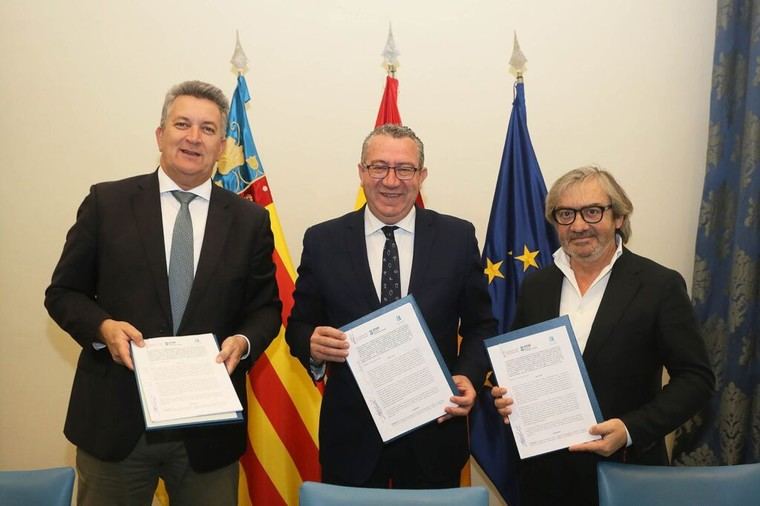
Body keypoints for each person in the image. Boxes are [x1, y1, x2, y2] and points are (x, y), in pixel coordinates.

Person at [45, 80, 281, 506]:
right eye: (182, 124)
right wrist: (103, 327)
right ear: (160, 134)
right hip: (116, 423)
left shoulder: (249, 221)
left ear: (222, 146)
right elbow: (63, 293)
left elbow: (265, 309)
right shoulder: (107, 203)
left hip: (208, 432)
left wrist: (244, 342)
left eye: (208, 129)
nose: (194, 137)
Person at [285, 124, 496, 488]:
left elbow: (481, 325)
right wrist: (312, 346)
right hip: (351, 441)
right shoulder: (323, 240)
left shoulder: (457, 238)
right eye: (379, 167)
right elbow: (299, 326)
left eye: (404, 169)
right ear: (361, 172)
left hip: (435, 434)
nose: (391, 181)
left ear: (422, 176)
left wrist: (469, 375)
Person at [492, 166, 715, 506]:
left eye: (593, 211)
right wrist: (507, 394)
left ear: (619, 217)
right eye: (566, 214)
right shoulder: (536, 286)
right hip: (545, 480)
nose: (579, 225)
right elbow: (519, 362)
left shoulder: (659, 285)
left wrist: (630, 429)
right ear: (555, 222)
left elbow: (696, 379)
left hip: (627, 473)